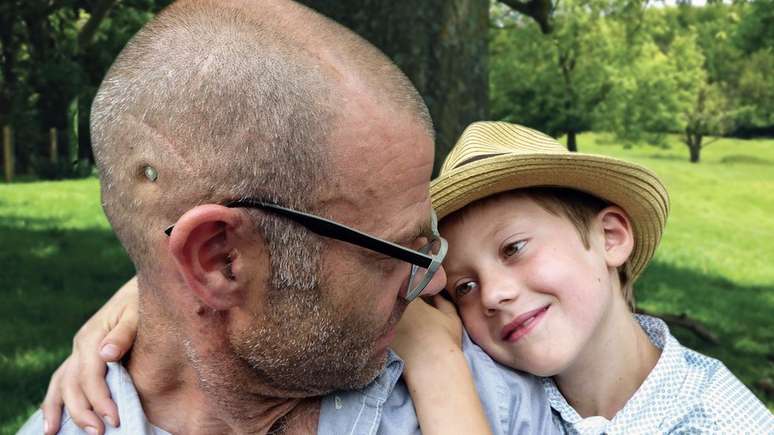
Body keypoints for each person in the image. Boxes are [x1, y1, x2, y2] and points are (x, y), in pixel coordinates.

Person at [22, 1, 557, 435]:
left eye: (428, 239)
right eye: (397, 251)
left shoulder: (497, 378)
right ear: (221, 260)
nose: (438, 281)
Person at [416, 121, 772, 433]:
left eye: (514, 249)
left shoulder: (714, 423)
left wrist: (435, 363)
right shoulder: (499, 393)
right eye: (464, 287)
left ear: (610, 238)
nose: (492, 294)